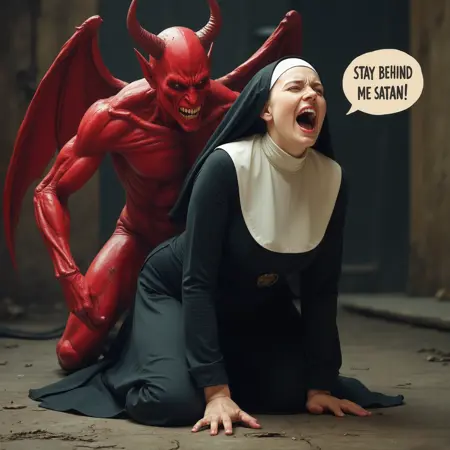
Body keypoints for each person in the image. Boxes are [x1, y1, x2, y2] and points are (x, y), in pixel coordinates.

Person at [29, 56, 404, 435]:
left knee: (293, 393)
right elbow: (197, 282)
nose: (311, 95)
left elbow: (321, 288)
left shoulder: (333, 179)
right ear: (265, 111)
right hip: (174, 291)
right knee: (172, 401)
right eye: (295, 87)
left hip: (254, 303)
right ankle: (164, 360)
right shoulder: (226, 167)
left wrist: (320, 384)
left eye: (318, 91)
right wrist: (216, 392)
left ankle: (212, 365)